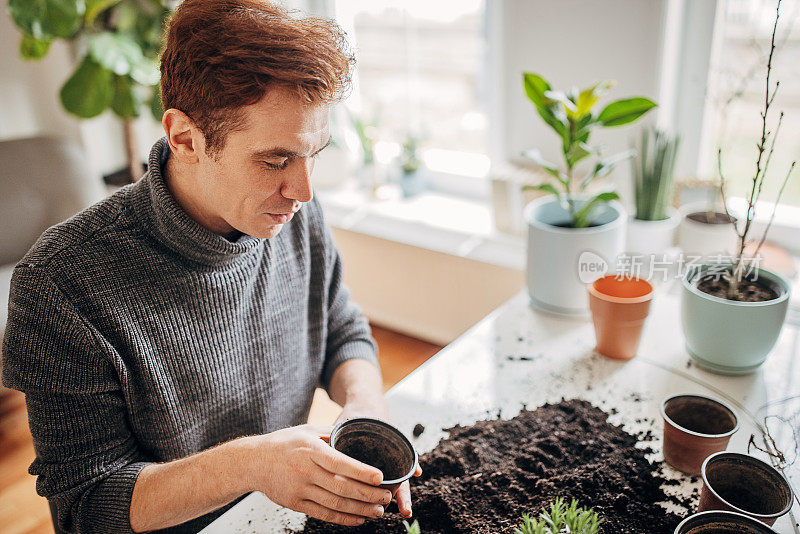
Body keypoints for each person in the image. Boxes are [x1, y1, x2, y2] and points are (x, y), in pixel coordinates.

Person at [1, 1, 420, 532]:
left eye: (313, 153)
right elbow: (86, 505)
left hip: (274, 515)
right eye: (275, 160)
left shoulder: (290, 212)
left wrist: (365, 407)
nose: (304, 191)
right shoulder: (62, 283)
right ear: (184, 138)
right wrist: (252, 465)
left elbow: (339, 327)